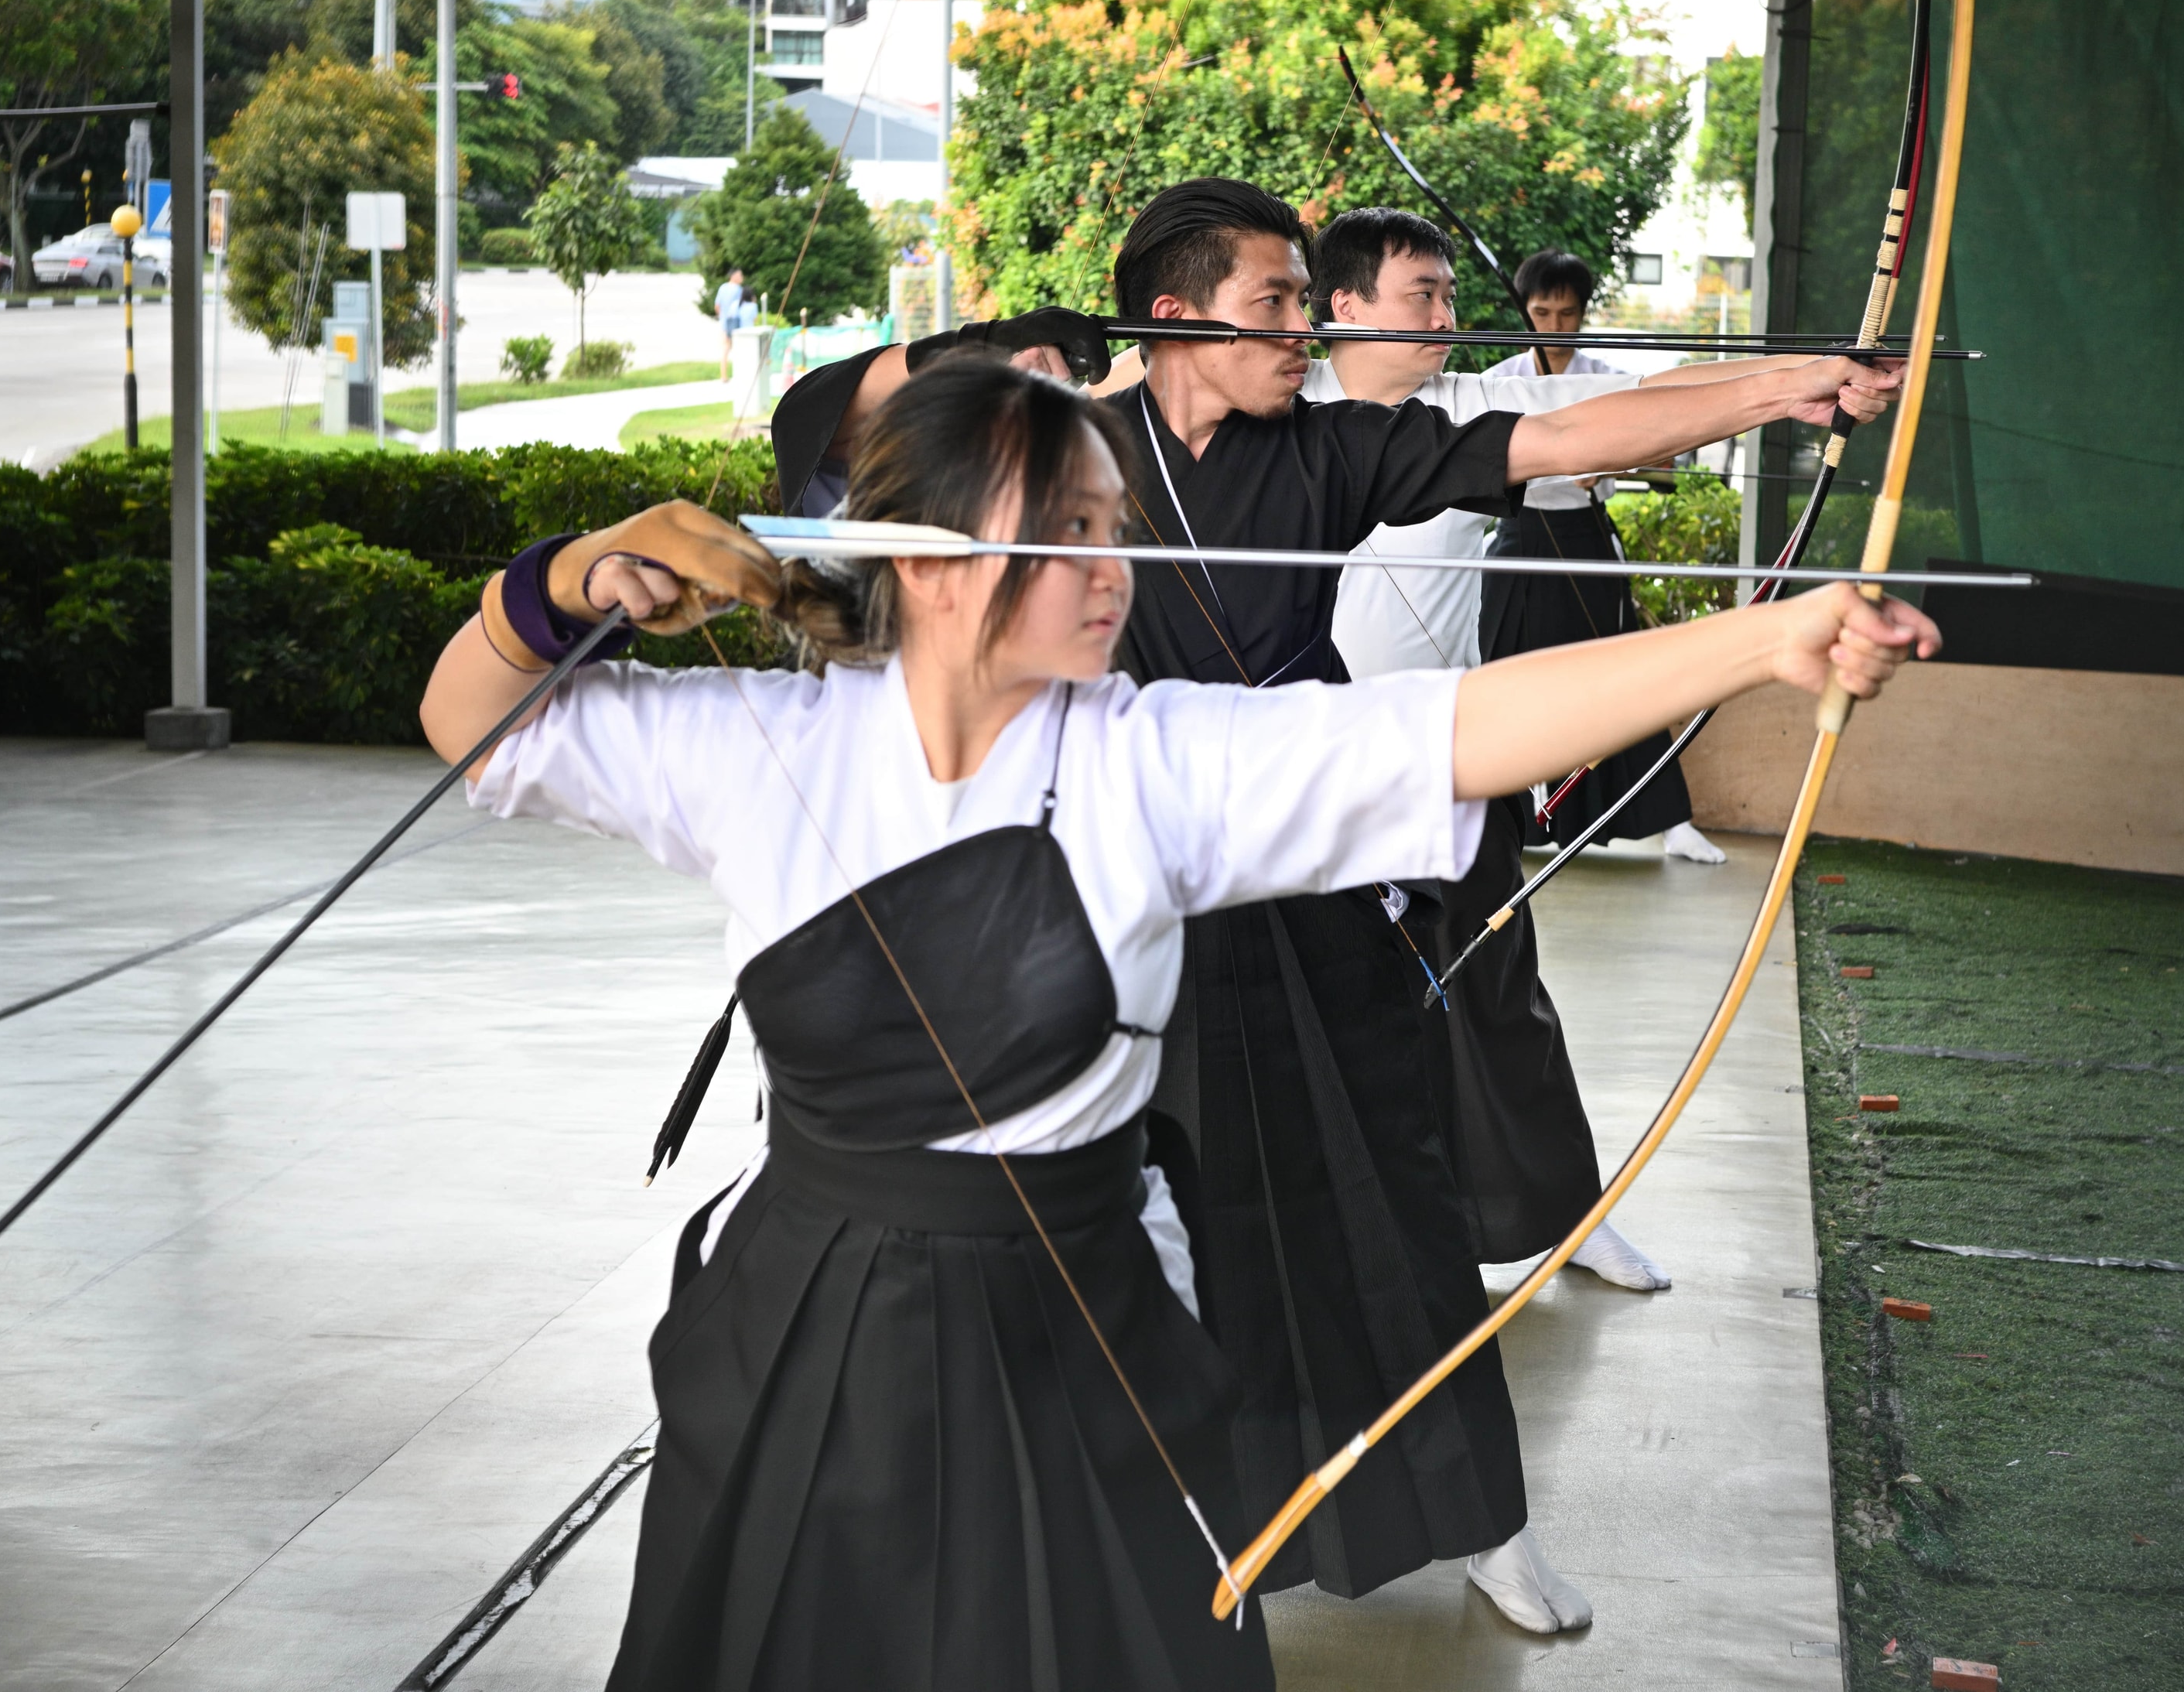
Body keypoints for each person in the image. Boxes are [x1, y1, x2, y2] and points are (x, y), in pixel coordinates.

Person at [418, 353, 1938, 1687]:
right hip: (804, 1306)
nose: (1111, 568)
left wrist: (1758, 642)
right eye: (1067, 533)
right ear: (935, 563)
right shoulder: (760, 742)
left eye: (1114, 529)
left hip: (1078, 1313)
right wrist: (563, 579)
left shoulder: (1160, 756)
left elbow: (1455, 730)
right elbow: (473, 723)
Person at [765, 179, 1895, 1634]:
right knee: (1109, 1221)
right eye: (1278, 304)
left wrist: (1783, 388)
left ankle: (1480, 1514)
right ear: (1174, 318)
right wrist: (970, 354)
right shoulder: (1063, 437)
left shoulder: (1330, 448)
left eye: (1310, 301)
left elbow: (1551, 438)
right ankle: (1108, 1539)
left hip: (1295, 847)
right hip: (1107, 873)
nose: (1308, 330)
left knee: (1388, 1198)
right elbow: (815, 436)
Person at [1305, 208, 1895, 1295]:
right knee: (1308, 1010)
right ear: (1341, 307)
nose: (1445, 316)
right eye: (1418, 297)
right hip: (1295, 768)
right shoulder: (1277, 416)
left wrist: (1798, 379)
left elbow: (1619, 410)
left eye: (1448, 295)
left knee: (1496, 998)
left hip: (1446, 757)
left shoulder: (1470, 406)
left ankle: (1559, 1216)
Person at [1482, 247, 1732, 863]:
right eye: (1542, 312)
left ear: (1583, 313)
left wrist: (1614, 459)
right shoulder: (1499, 380)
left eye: (1568, 313)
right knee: (1506, 683)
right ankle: (1506, 827)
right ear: (1526, 313)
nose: (1555, 326)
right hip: (1519, 542)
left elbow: (1662, 452)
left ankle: (1670, 820)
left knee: (1622, 678)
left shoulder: (1605, 378)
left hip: (1587, 538)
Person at [713, 267, 748, 383]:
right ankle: (740, 374)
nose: (742, 277)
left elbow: (717, 306)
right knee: (738, 348)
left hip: (724, 322)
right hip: (735, 322)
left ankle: (724, 375)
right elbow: (740, 308)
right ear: (733, 276)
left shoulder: (723, 287)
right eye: (740, 275)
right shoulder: (738, 289)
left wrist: (722, 317)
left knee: (726, 349)